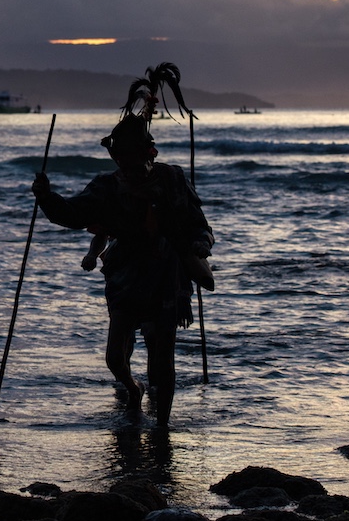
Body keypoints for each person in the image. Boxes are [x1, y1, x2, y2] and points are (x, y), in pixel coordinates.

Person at [32, 112, 213, 428]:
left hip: (168, 276)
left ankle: (162, 429)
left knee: (162, 361)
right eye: (120, 157)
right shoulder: (106, 187)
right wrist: (47, 198)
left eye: (132, 155)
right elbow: (73, 215)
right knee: (115, 357)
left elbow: (200, 226)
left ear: (148, 153)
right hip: (125, 277)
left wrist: (200, 247)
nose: (126, 164)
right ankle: (134, 388)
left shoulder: (173, 179)